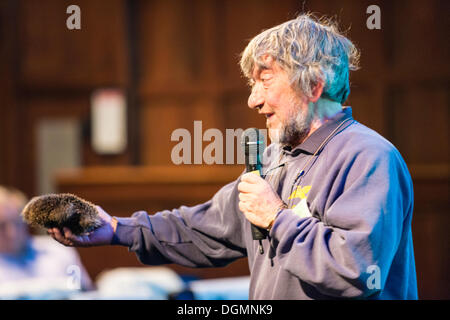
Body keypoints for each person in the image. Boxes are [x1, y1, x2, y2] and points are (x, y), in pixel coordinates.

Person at [48, 14, 418, 299]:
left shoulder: (369, 157)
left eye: (265, 79)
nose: (253, 100)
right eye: (251, 84)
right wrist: (116, 229)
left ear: (313, 84)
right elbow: (200, 229)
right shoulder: (275, 159)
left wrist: (276, 218)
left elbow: (354, 270)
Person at [0, 186, 93, 298]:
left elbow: (85, 291)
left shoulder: (58, 250)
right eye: (2, 226)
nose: (12, 233)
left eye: (17, 222)